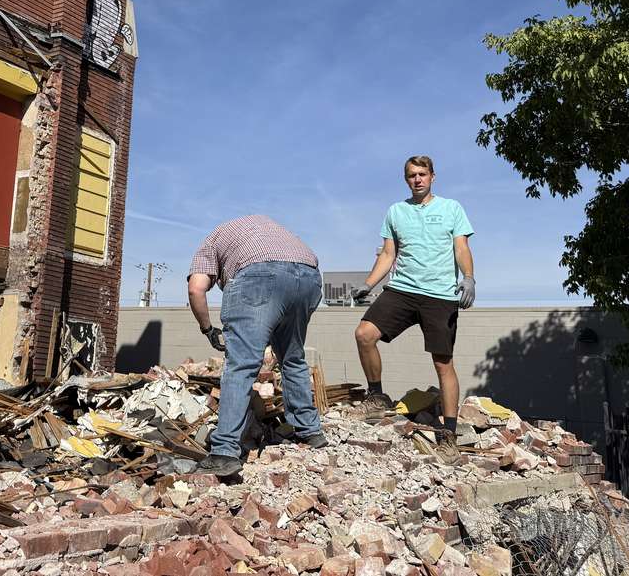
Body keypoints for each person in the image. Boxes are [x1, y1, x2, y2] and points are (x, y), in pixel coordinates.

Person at [353, 155, 475, 464]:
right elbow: (388, 253)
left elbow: (461, 247)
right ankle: (377, 396)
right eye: (411, 175)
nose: (417, 179)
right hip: (403, 290)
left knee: (443, 363)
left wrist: (469, 278)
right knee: (364, 334)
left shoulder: (451, 208)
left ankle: (448, 436)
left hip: (440, 295)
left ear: (433, 176)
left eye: (422, 174)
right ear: (406, 179)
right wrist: (368, 284)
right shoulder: (396, 211)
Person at [187, 215, 325, 477]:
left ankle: (224, 452)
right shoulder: (268, 229)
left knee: (242, 365)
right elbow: (306, 262)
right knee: (292, 358)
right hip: (308, 277)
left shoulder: (211, 241)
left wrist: (207, 329)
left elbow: (196, 289)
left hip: (258, 276)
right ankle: (310, 432)